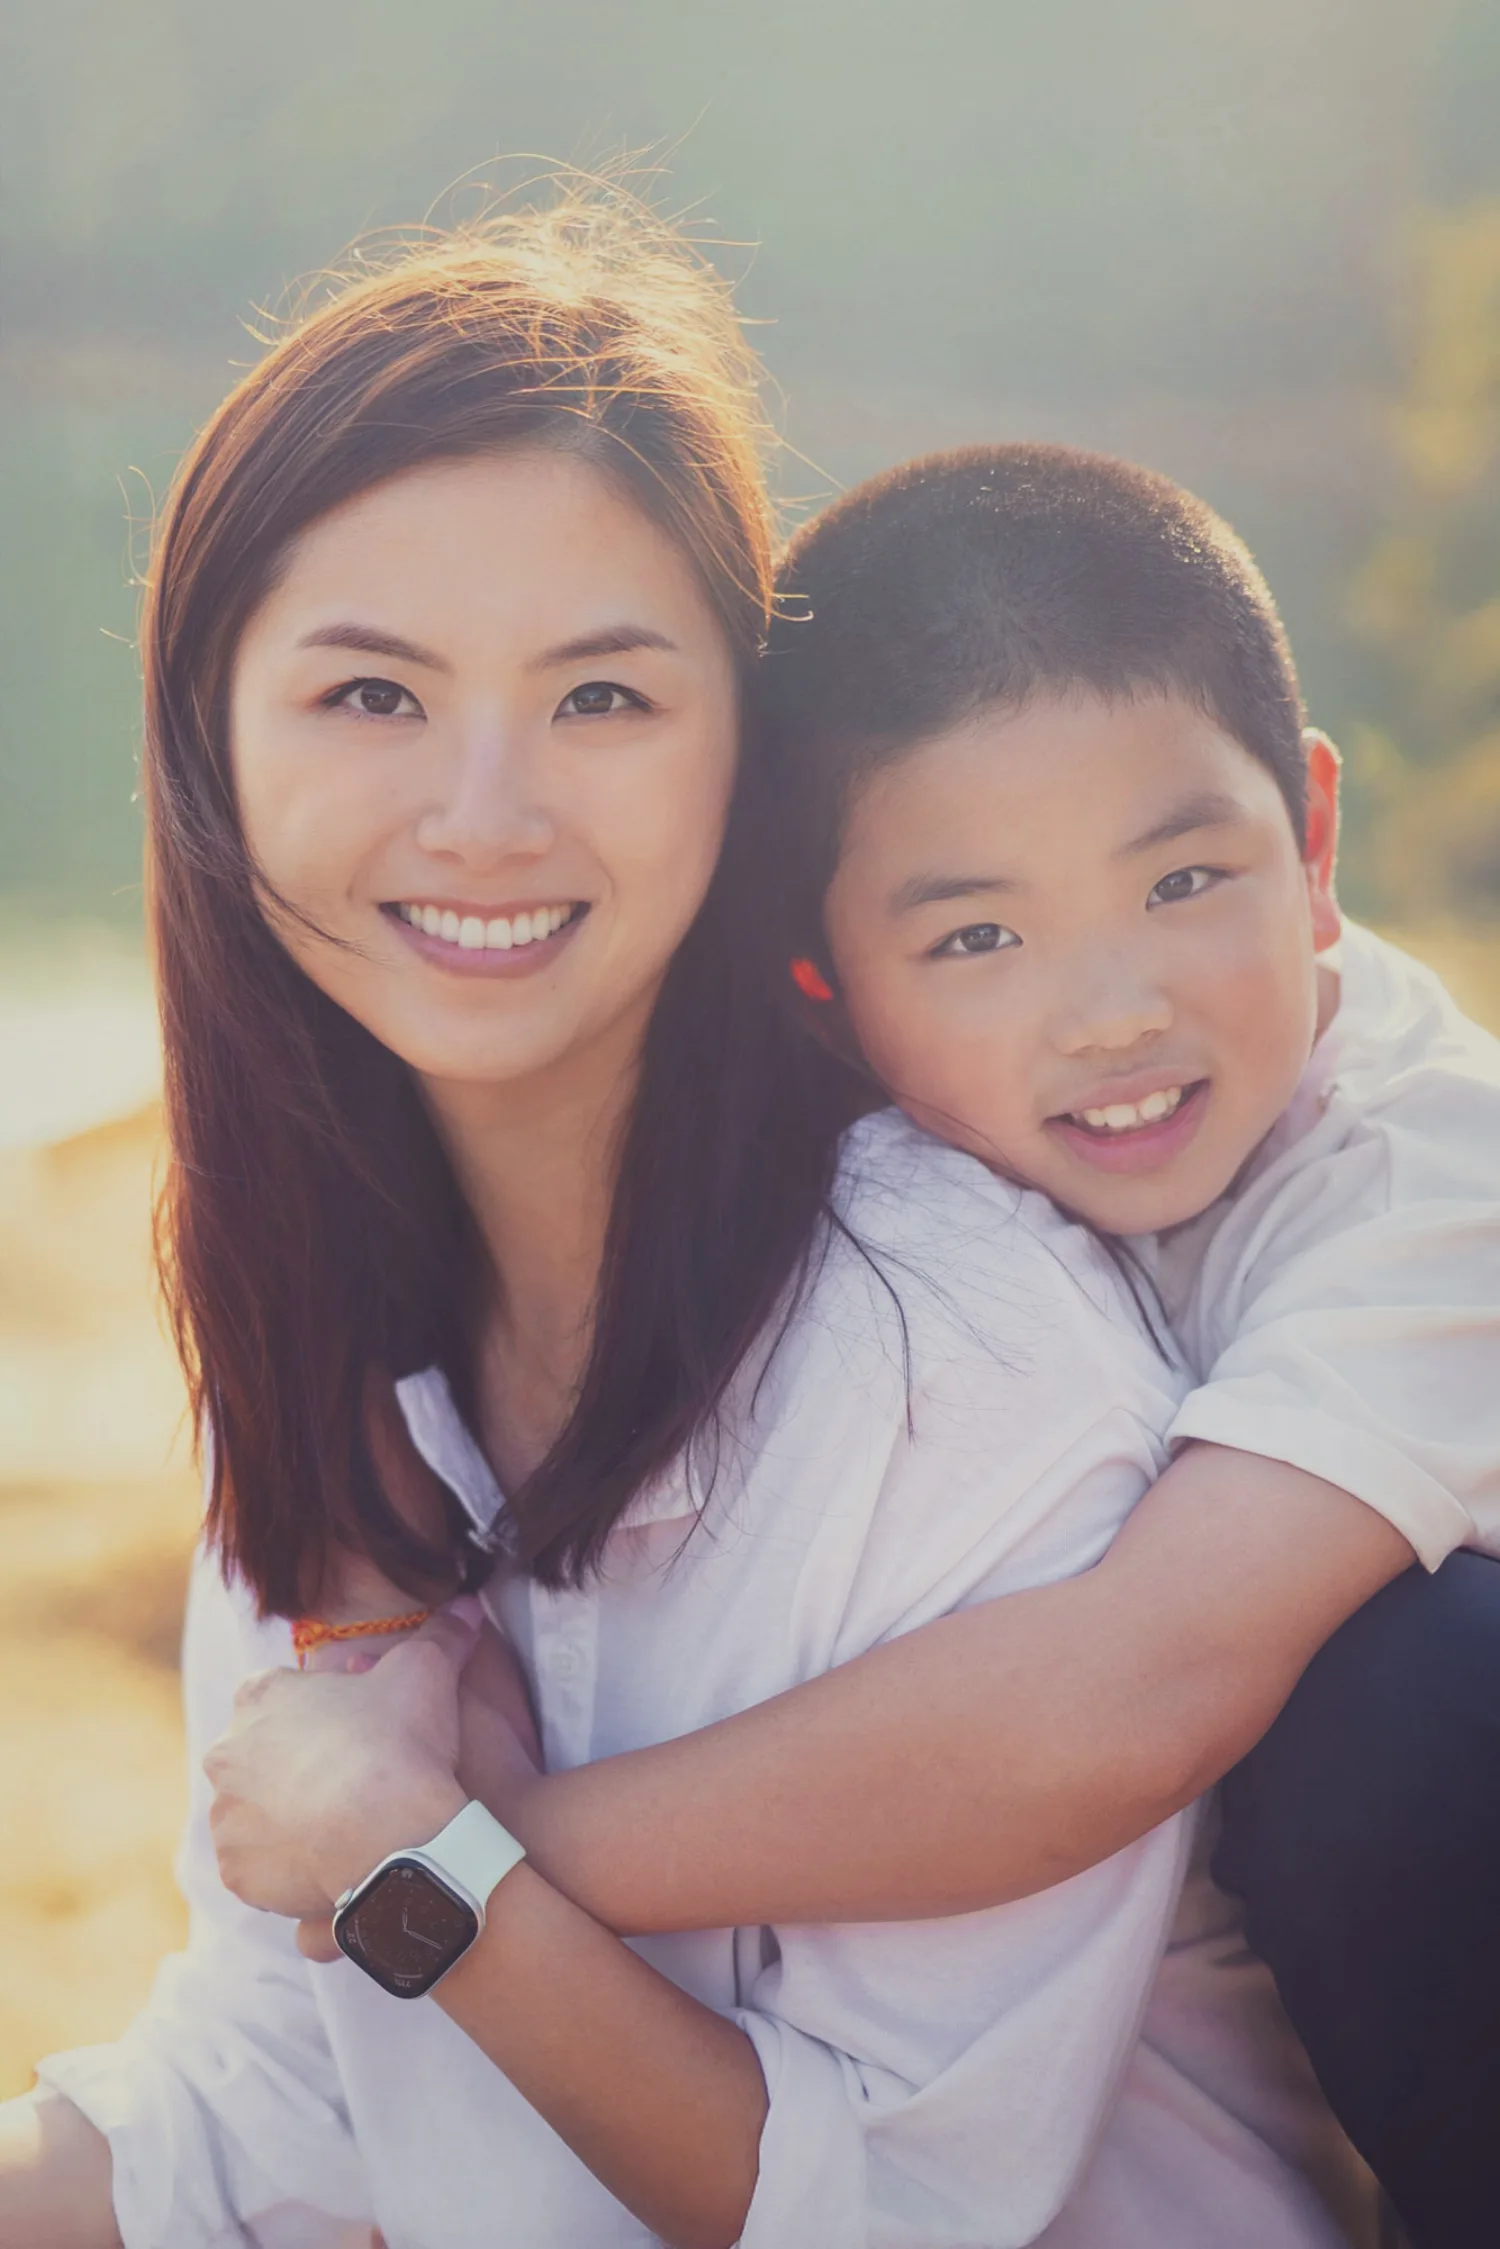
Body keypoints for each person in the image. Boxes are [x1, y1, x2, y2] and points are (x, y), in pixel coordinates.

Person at [0, 216, 1356, 2249]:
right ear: (210, 736)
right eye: (372, 691)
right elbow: (275, 2093)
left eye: (602, 698)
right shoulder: (335, 1318)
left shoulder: (954, 1372)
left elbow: (875, 2209)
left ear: (748, 754)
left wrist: (422, 1860)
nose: (484, 813)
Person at [438, 447, 1500, 2249]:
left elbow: (1133, 1691)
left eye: (1184, 883)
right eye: (982, 934)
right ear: (824, 995)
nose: (1114, 1011)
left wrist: (481, 1856)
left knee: (1397, 1696)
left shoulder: (1432, 1187)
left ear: (1314, 841)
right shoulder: (889, 1233)